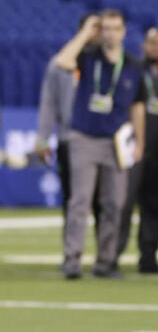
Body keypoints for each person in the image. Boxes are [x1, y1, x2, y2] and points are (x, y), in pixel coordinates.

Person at [52, 10, 146, 279]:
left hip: (116, 140)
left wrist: (139, 140)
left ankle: (106, 261)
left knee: (114, 203)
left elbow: (138, 107)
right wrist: (85, 33)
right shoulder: (88, 55)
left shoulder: (133, 65)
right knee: (80, 200)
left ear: (124, 31)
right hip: (84, 136)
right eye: (105, 28)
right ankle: (72, 259)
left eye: (115, 28)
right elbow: (63, 61)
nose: (110, 33)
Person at [116, 27, 158, 273]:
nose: (155, 48)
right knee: (124, 203)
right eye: (151, 43)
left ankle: (148, 257)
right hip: (133, 148)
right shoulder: (132, 72)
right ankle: (112, 256)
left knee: (155, 205)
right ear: (143, 46)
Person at [36, 14, 101, 240]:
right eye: (90, 30)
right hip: (68, 138)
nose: (95, 35)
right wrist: (43, 138)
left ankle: (106, 256)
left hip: (101, 139)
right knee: (72, 198)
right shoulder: (61, 64)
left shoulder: (104, 63)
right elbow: (48, 103)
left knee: (103, 201)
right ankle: (71, 251)